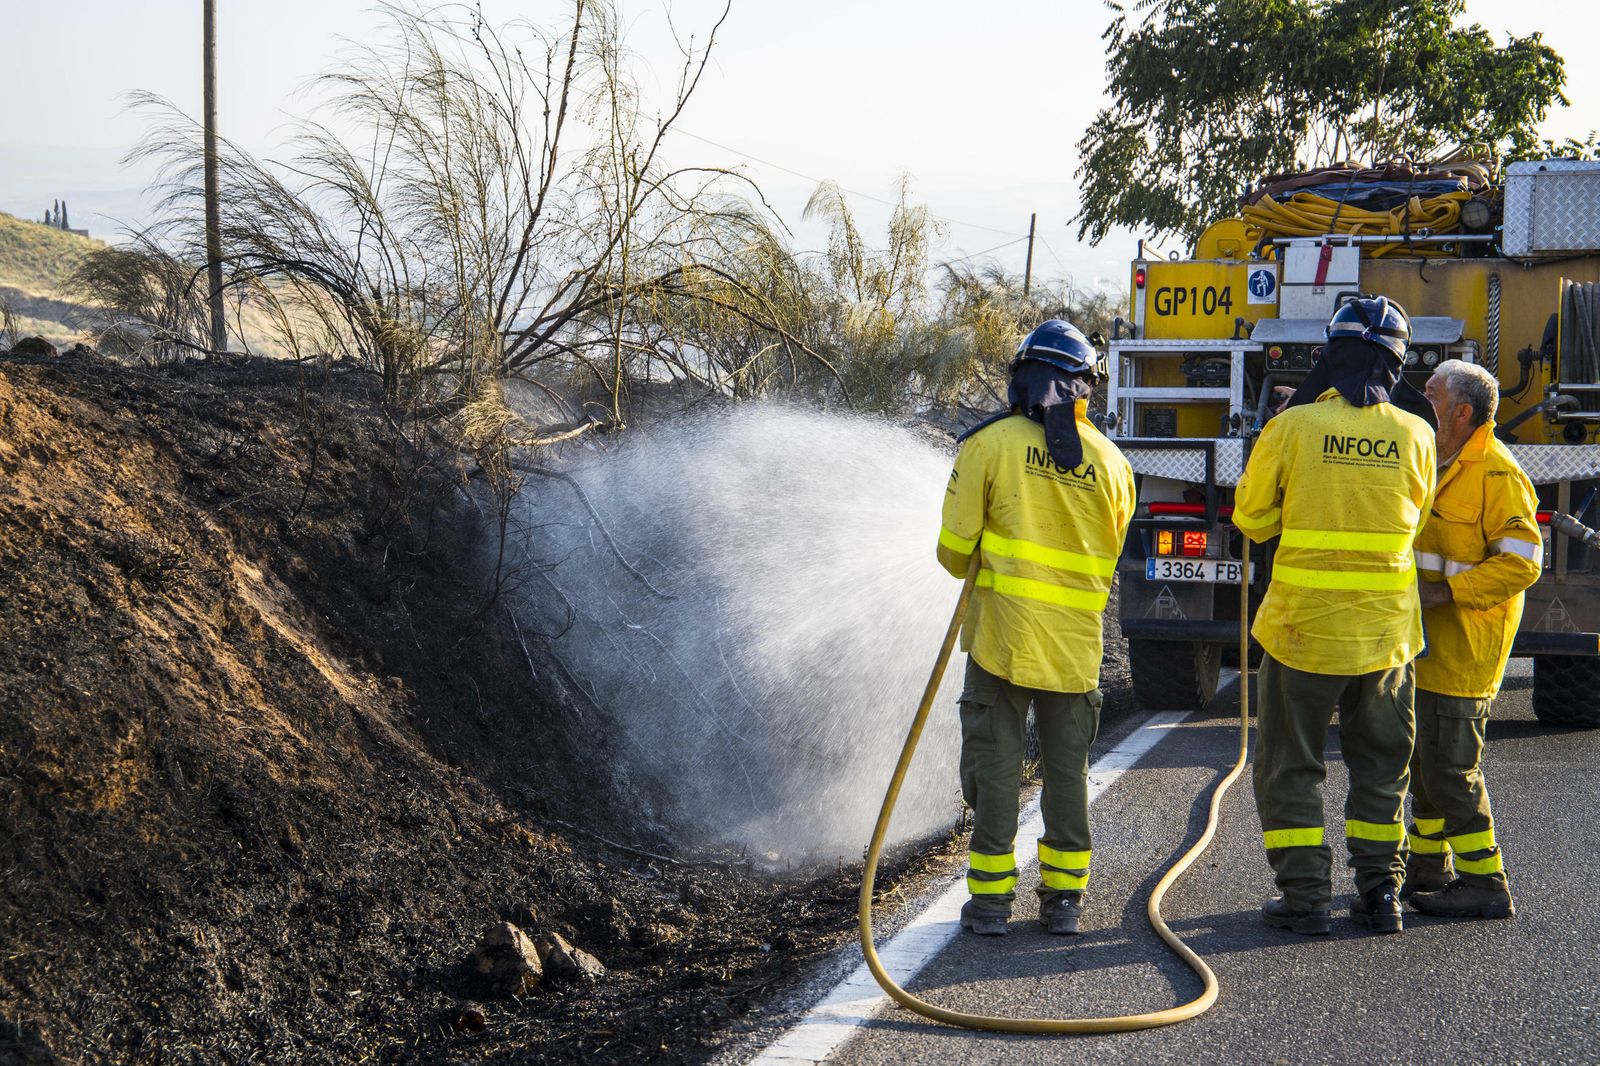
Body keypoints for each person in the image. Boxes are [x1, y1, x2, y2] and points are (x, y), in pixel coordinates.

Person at [1234, 295, 1437, 936]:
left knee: (1290, 766)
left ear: (1330, 350)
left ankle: (1306, 898)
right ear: (1397, 362)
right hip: (1386, 637)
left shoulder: (1291, 427)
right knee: (1382, 766)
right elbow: (1418, 520)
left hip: (1301, 633)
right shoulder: (1419, 434)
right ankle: (1381, 895)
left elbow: (1250, 516)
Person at [936, 319, 1135, 937]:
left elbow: (951, 554)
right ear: (1081, 390)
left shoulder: (987, 446)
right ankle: (1065, 902)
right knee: (1066, 775)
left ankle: (992, 904)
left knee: (995, 772)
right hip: (1075, 651)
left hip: (1000, 642)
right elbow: (1113, 548)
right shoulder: (1113, 463)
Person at [1402, 359, 1539, 919]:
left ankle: (1487, 882)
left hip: (1465, 648)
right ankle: (1429, 870)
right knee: (1423, 765)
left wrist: (1445, 595)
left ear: (1462, 411)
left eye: (1431, 396)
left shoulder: (1497, 474)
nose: (1420, 403)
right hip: (1425, 646)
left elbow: (1522, 564)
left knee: (1452, 771)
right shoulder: (1437, 460)